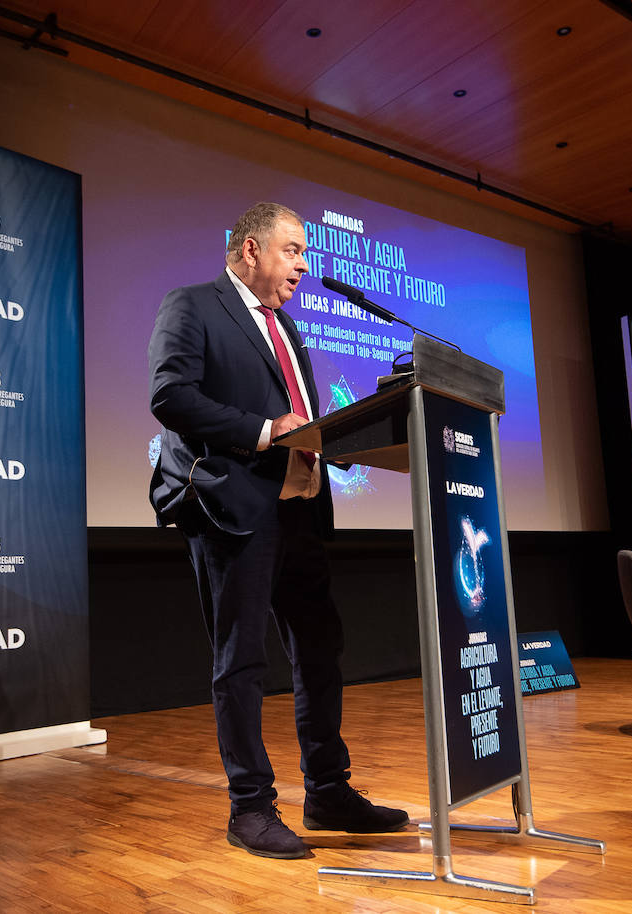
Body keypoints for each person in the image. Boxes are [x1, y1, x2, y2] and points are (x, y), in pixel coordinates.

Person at [148, 202, 408, 858]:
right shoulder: (193, 305)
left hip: (300, 509)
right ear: (248, 251)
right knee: (241, 659)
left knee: (320, 650)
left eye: (303, 253)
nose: (302, 264)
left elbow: (301, 417)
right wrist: (265, 433)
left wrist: (335, 437)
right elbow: (171, 397)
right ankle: (250, 808)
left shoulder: (288, 328)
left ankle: (327, 791)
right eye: (291, 250)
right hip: (234, 509)